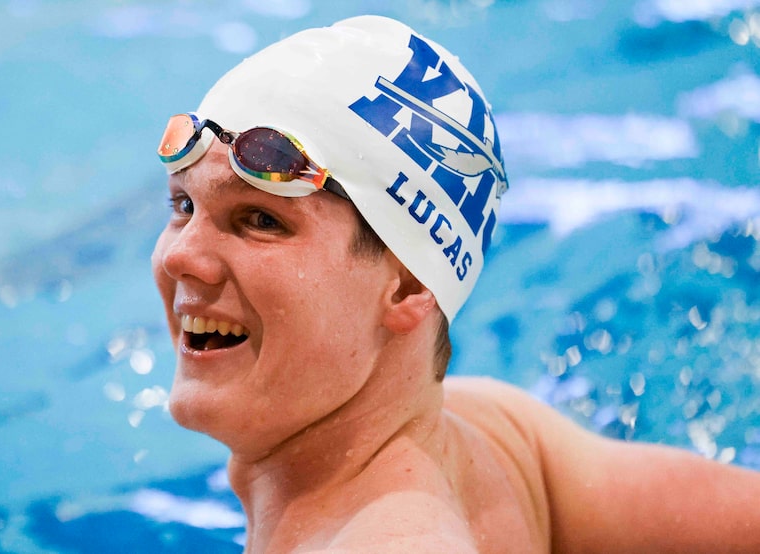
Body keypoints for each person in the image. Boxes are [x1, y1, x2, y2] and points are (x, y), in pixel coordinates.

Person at [151, 15, 760, 553]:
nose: (183, 255)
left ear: (409, 285)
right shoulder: (510, 441)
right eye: (184, 205)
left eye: (261, 220)